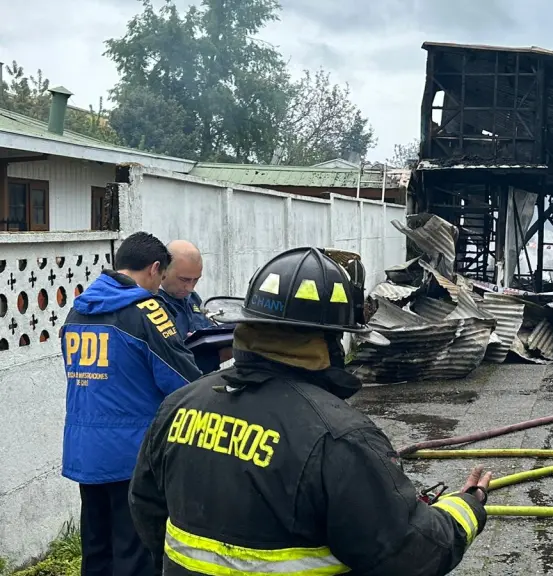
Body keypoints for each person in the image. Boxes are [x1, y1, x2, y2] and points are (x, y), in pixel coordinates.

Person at [129, 247, 492, 576]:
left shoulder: (179, 405)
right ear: (329, 340)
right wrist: (465, 509)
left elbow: (146, 507)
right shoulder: (339, 437)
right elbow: (408, 554)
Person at [61, 231, 202, 576]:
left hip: (86, 453)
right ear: (155, 269)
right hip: (132, 457)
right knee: (135, 555)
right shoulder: (145, 311)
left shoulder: (77, 311)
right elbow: (184, 381)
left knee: (96, 551)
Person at [159, 240, 213, 338]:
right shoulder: (150, 303)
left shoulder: (193, 298)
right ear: (164, 269)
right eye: (184, 279)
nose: (190, 288)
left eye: (196, 279)